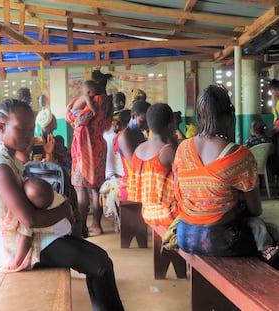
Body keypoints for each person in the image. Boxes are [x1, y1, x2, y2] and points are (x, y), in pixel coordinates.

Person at [0, 99, 124, 311]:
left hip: (22, 240)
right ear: (0, 128)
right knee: (100, 266)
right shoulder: (0, 168)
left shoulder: (4, 160)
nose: (28, 135)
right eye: (21, 129)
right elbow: (30, 219)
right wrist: (63, 211)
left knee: (100, 260)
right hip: (14, 250)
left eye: (30, 129)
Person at [173, 84, 279, 269]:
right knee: (269, 234)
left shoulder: (182, 149)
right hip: (222, 240)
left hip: (185, 235)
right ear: (230, 114)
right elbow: (255, 210)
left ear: (199, 116)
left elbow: (178, 194)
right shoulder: (239, 155)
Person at [66, 70, 114, 236]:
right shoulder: (107, 101)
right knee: (95, 188)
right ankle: (96, 224)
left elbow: (78, 120)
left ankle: (83, 227)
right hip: (99, 146)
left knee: (81, 188)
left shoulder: (94, 101)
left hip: (85, 148)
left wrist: (71, 109)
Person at [127, 103, 178, 226]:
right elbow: (179, 188)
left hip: (146, 212)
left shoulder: (139, 149)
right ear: (171, 126)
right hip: (168, 214)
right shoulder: (168, 151)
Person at [8, 177, 71, 271]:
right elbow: (66, 202)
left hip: (60, 231)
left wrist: (16, 262)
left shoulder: (29, 217)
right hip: (66, 224)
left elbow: (25, 240)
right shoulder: (55, 197)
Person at [113, 100, 149, 200]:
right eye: (142, 121)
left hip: (139, 180)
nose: (146, 125)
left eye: (148, 122)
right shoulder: (125, 136)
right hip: (130, 185)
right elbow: (134, 166)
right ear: (133, 116)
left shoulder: (140, 133)